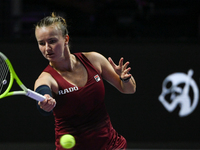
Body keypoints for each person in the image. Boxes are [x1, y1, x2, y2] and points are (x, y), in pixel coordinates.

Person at [34, 12, 136, 150]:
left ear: (66, 39)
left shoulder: (94, 60)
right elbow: (42, 94)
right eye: (41, 43)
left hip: (111, 145)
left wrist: (125, 79)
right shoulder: (46, 78)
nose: (47, 48)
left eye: (52, 41)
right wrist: (45, 102)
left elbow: (129, 90)